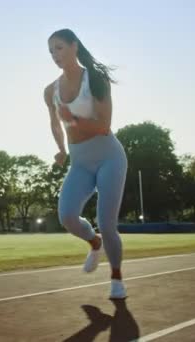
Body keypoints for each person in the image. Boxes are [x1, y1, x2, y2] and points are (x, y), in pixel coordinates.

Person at [43, 28, 128, 299]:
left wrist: (75, 119)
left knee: (107, 222)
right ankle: (94, 242)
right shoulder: (50, 91)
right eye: (51, 51)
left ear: (74, 46)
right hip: (80, 162)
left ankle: (116, 278)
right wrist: (60, 149)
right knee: (67, 217)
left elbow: (104, 126)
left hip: (109, 158)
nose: (55, 55)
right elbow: (54, 123)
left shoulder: (96, 80)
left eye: (59, 48)